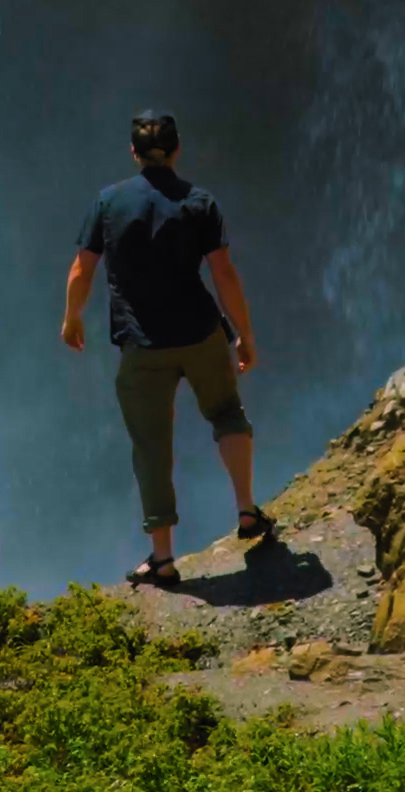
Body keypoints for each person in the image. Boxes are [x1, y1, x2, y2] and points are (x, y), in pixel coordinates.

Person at [61, 109, 265, 588]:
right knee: (226, 413)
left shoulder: (108, 202)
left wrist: (72, 317)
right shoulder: (199, 202)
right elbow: (225, 275)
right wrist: (244, 334)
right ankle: (248, 510)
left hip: (142, 343)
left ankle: (163, 558)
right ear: (177, 149)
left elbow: (81, 269)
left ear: (133, 153)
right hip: (200, 333)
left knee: (151, 447)